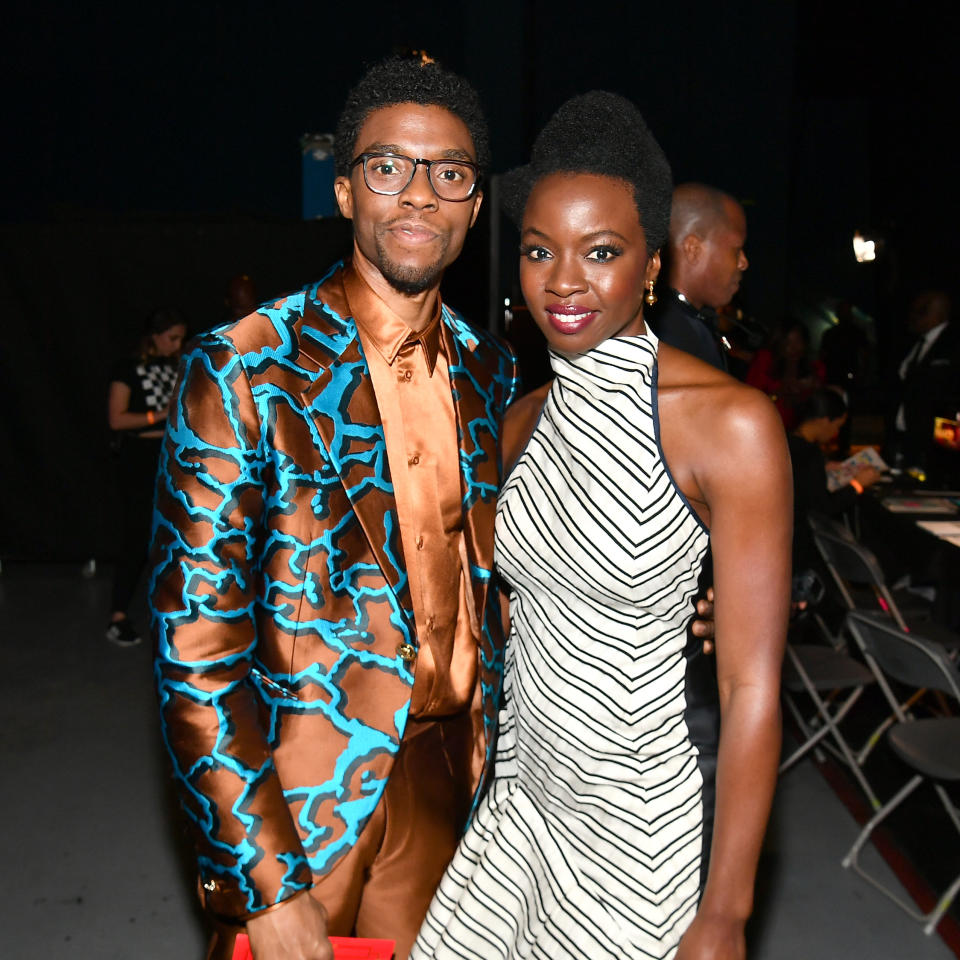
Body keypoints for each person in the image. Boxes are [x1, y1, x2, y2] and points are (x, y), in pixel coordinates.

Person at [150, 56, 519, 960]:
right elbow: (195, 649)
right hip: (302, 807)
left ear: (476, 205)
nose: (420, 196)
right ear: (348, 190)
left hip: (457, 786)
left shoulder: (490, 371)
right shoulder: (245, 366)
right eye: (389, 167)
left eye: (451, 174)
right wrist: (263, 880)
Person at [413, 93, 790, 960]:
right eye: (540, 251)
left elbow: (751, 691)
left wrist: (726, 915)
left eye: (602, 252)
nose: (564, 281)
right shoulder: (521, 421)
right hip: (519, 806)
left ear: (652, 263)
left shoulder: (728, 427)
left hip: (633, 835)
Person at [106, 307, 186, 646]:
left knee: (175, 536)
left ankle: (175, 614)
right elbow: (116, 420)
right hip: (139, 457)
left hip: (170, 456)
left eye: (181, 338)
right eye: (172, 338)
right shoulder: (129, 368)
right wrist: (159, 415)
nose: (176, 344)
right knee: (138, 536)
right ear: (154, 335)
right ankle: (118, 616)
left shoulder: (177, 365)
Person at [646, 182, 749, 371]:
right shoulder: (665, 336)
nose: (744, 262)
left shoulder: (690, 322)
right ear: (693, 249)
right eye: (737, 250)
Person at [788, 389, 881, 571]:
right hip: (800, 547)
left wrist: (823, 469)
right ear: (824, 420)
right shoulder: (810, 454)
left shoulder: (787, 439)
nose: (835, 433)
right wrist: (858, 485)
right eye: (837, 426)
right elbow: (823, 507)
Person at [892, 289, 960, 481]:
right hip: (909, 431)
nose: (913, 318)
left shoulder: (953, 344)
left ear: (936, 314)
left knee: (935, 479)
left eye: (919, 312)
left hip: (937, 436)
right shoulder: (915, 343)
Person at [746, 321, 825, 430]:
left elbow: (819, 410)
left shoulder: (814, 368)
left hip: (798, 432)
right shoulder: (765, 360)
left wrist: (812, 389)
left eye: (798, 341)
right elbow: (751, 400)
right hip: (765, 426)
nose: (793, 348)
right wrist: (781, 391)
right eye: (787, 342)